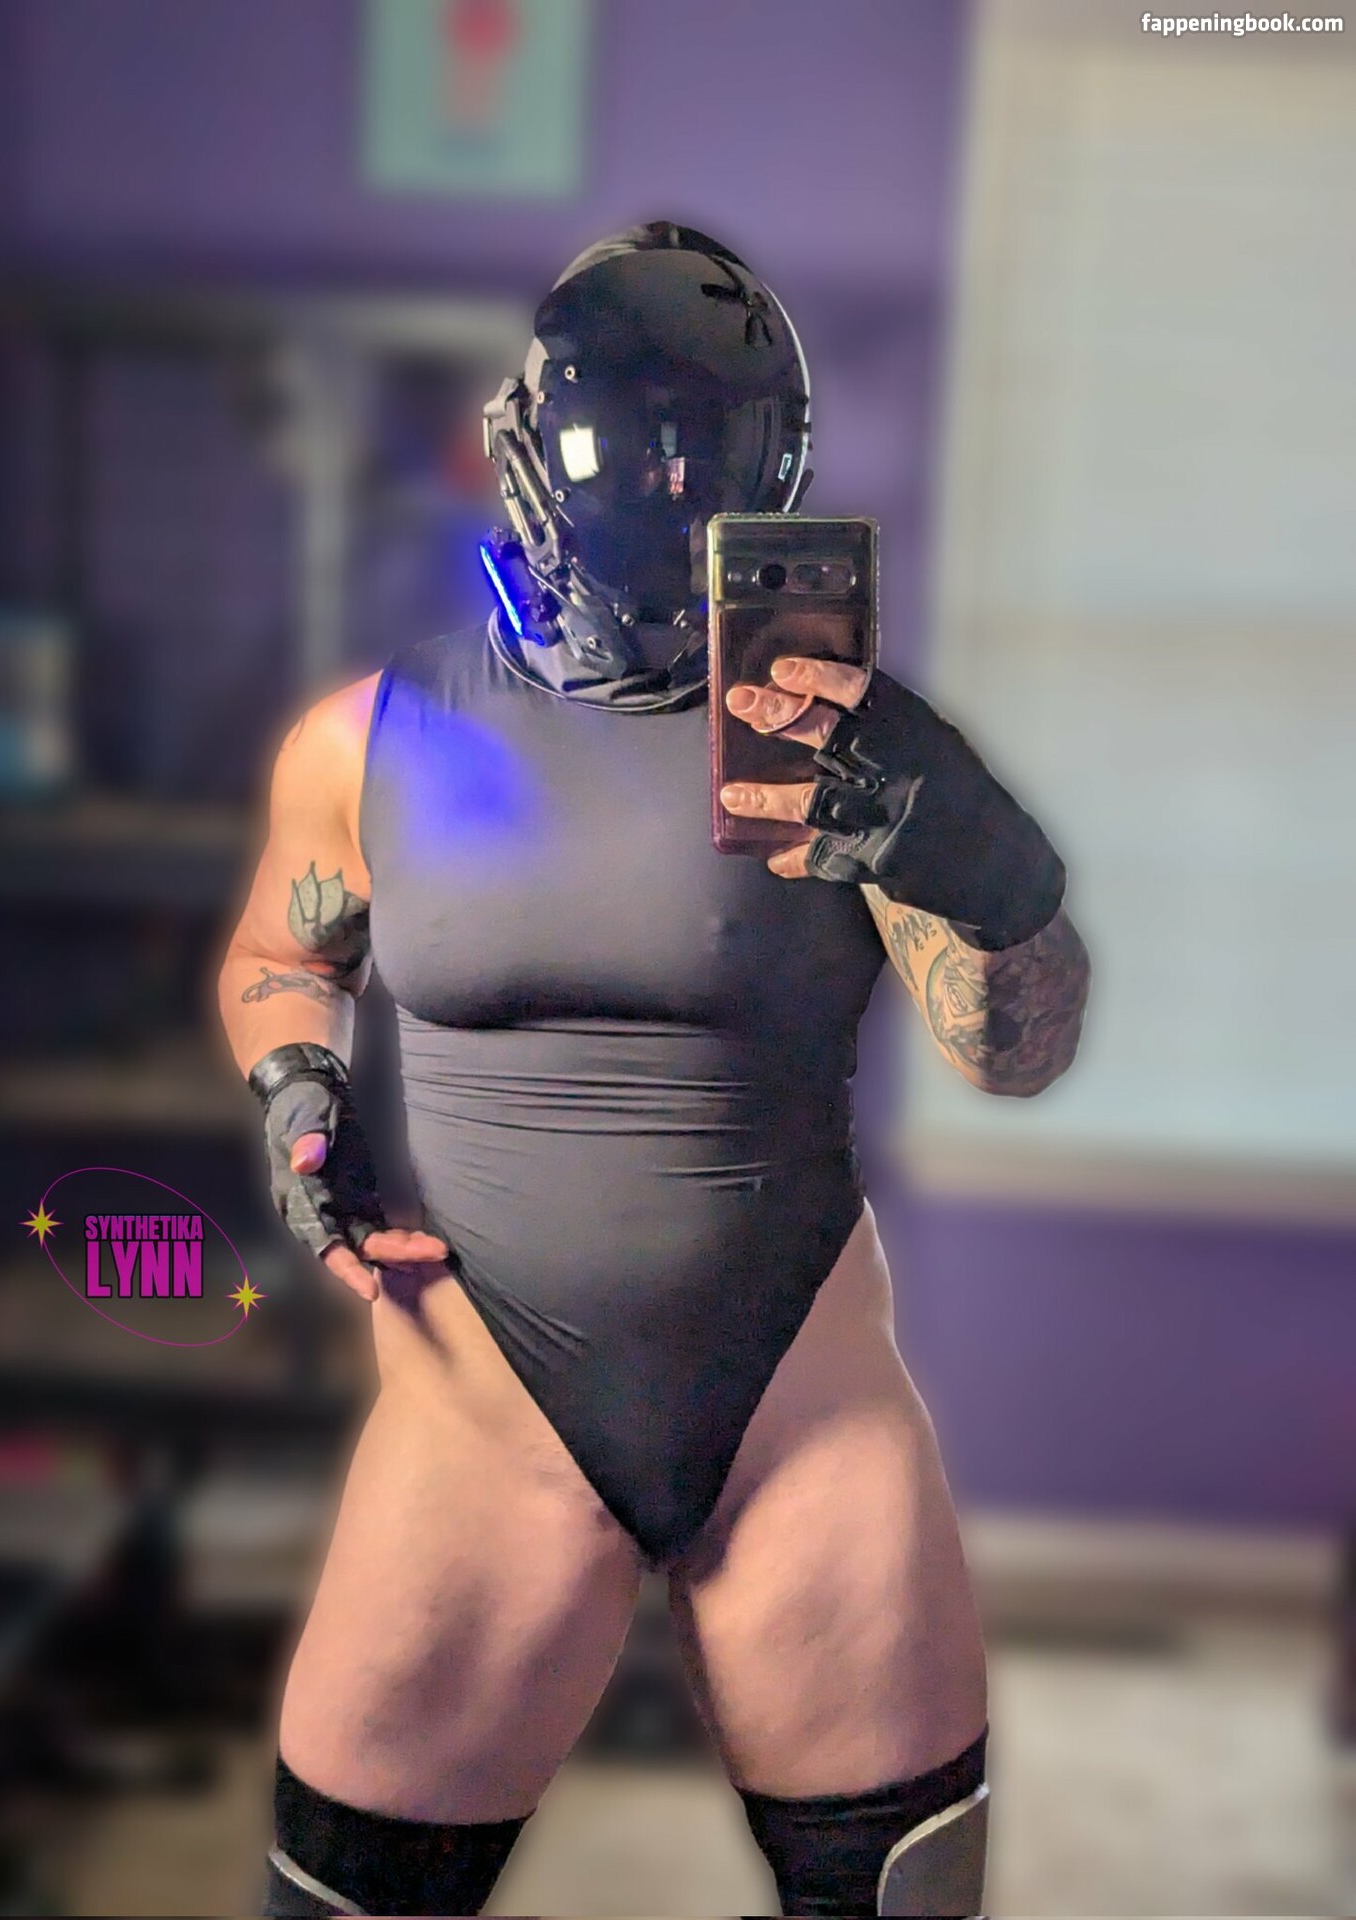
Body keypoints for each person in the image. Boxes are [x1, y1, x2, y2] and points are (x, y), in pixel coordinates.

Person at [217, 223, 1090, 1918]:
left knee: (905, 1894)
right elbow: (279, 959)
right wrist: (297, 1094)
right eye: (633, 446)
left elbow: (1015, 1054)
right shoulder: (368, 741)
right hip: (479, 1424)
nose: (670, 488)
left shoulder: (849, 759)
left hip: (796, 1422)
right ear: (533, 447)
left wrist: (995, 874)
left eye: (711, 453)